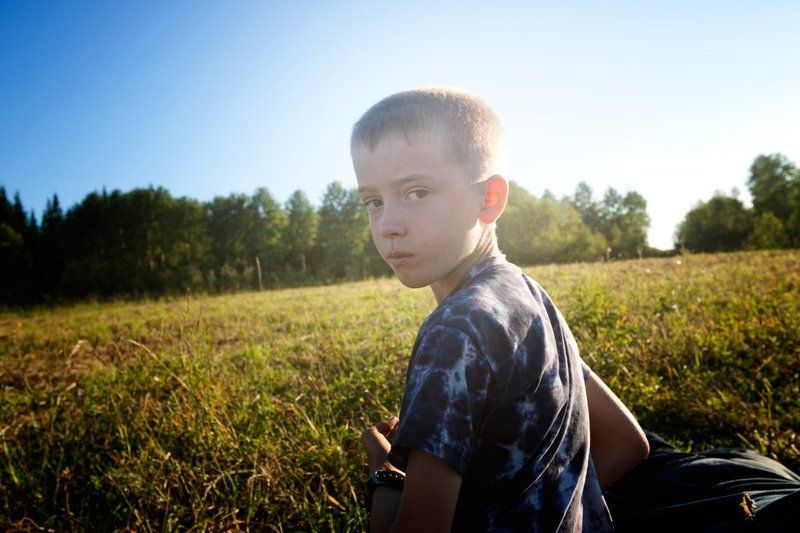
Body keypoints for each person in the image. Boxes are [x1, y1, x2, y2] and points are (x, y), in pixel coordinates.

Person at [352, 87, 650, 532]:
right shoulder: (531, 297)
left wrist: (386, 472)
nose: (388, 226)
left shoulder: (455, 332)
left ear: (489, 199)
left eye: (416, 192)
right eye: (373, 201)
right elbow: (627, 444)